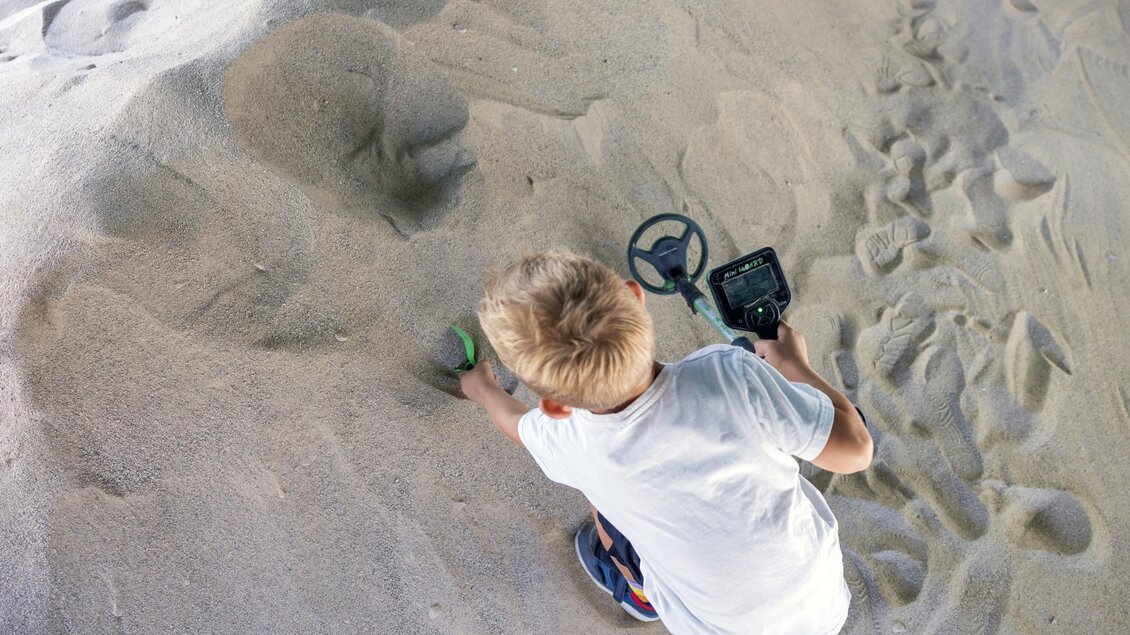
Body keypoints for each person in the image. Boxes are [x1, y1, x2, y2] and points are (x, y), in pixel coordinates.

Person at [459, 250, 873, 634]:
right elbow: (856, 450)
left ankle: (638, 590)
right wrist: (795, 367)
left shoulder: (571, 439)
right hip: (823, 610)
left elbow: (517, 426)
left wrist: (484, 391)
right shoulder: (730, 374)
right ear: (636, 297)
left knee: (600, 499)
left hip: (721, 628)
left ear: (554, 406)